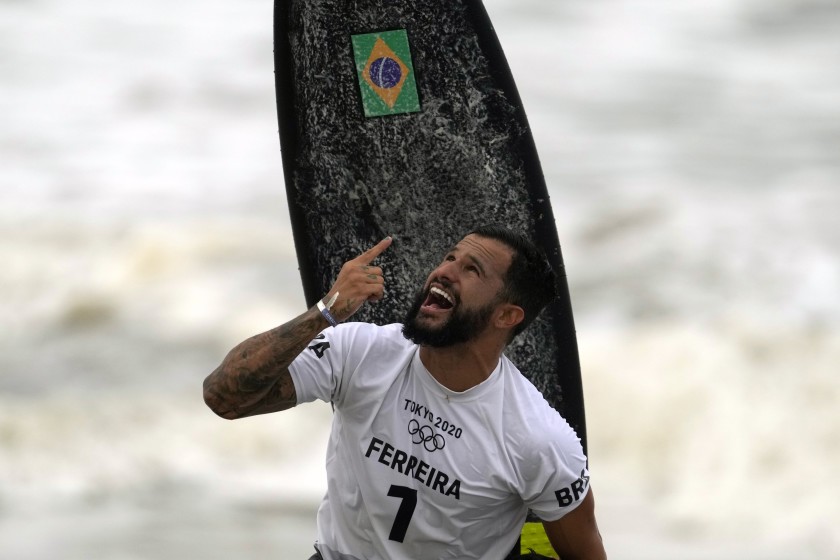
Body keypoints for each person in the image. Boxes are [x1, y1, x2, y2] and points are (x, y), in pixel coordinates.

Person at [203, 225, 607, 560]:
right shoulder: (360, 352)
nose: (444, 271)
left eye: (471, 269)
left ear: (506, 315)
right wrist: (325, 311)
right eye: (449, 257)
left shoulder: (537, 439)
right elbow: (224, 397)